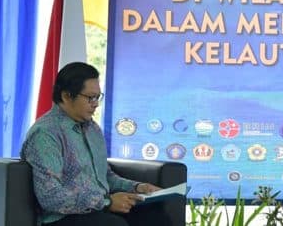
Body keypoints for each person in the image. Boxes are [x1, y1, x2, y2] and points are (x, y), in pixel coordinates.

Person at [21, 62, 171, 226]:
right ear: (66, 96)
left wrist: (138, 187)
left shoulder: (92, 128)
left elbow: (105, 177)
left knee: (155, 217)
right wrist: (106, 202)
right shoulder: (46, 134)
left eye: (98, 97)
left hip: (99, 208)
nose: (96, 104)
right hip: (61, 217)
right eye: (90, 98)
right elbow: (51, 197)